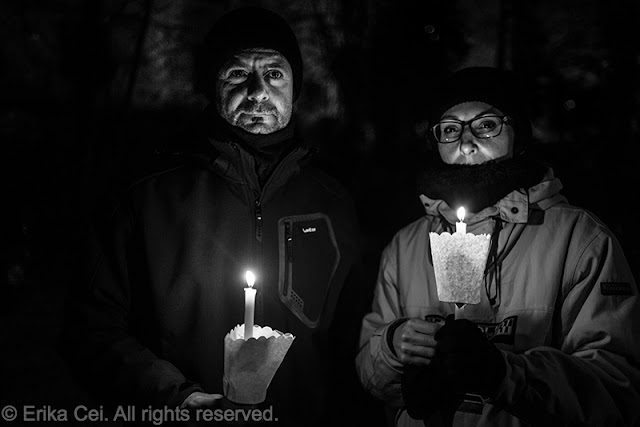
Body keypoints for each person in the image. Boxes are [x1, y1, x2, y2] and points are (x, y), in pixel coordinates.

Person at [62, 7, 368, 426]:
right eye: (239, 74)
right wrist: (176, 398)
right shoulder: (146, 194)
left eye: (275, 73)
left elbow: (353, 340)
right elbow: (91, 331)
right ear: (212, 83)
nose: (259, 91)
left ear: (295, 87)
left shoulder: (332, 201)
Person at [355, 66, 640, 426]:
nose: (467, 142)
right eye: (449, 129)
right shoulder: (406, 246)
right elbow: (370, 375)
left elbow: (617, 388)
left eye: (486, 124)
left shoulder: (579, 239)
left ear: (518, 133)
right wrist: (393, 347)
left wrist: (507, 375)